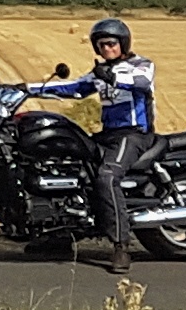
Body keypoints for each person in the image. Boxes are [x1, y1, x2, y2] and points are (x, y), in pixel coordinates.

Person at [18, 16, 157, 275]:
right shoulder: (100, 72)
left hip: (134, 135)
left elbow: (142, 83)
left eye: (111, 43)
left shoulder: (141, 65)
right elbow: (74, 88)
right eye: (102, 45)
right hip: (108, 134)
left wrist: (112, 78)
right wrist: (28, 88)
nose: (107, 49)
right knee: (72, 168)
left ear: (123, 43)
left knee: (107, 177)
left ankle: (121, 245)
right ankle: (61, 235)